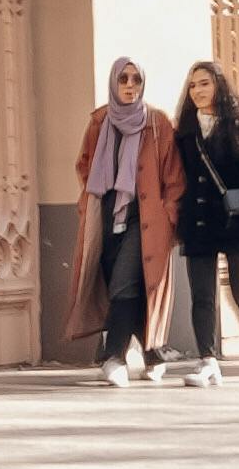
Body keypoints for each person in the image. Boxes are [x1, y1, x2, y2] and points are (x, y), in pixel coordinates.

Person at [71, 57, 177, 383]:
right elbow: (85, 164)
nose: (130, 86)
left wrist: (169, 215)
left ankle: (113, 355)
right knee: (125, 284)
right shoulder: (100, 121)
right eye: (124, 79)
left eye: (136, 80)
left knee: (124, 283)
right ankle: (151, 350)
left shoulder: (157, 123)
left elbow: (173, 175)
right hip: (105, 217)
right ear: (114, 83)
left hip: (144, 219)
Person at [167, 60, 239, 384]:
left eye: (204, 83)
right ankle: (207, 360)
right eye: (193, 85)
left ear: (220, 86)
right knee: (202, 295)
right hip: (198, 223)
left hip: (235, 221)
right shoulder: (184, 131)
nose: (197, 90)